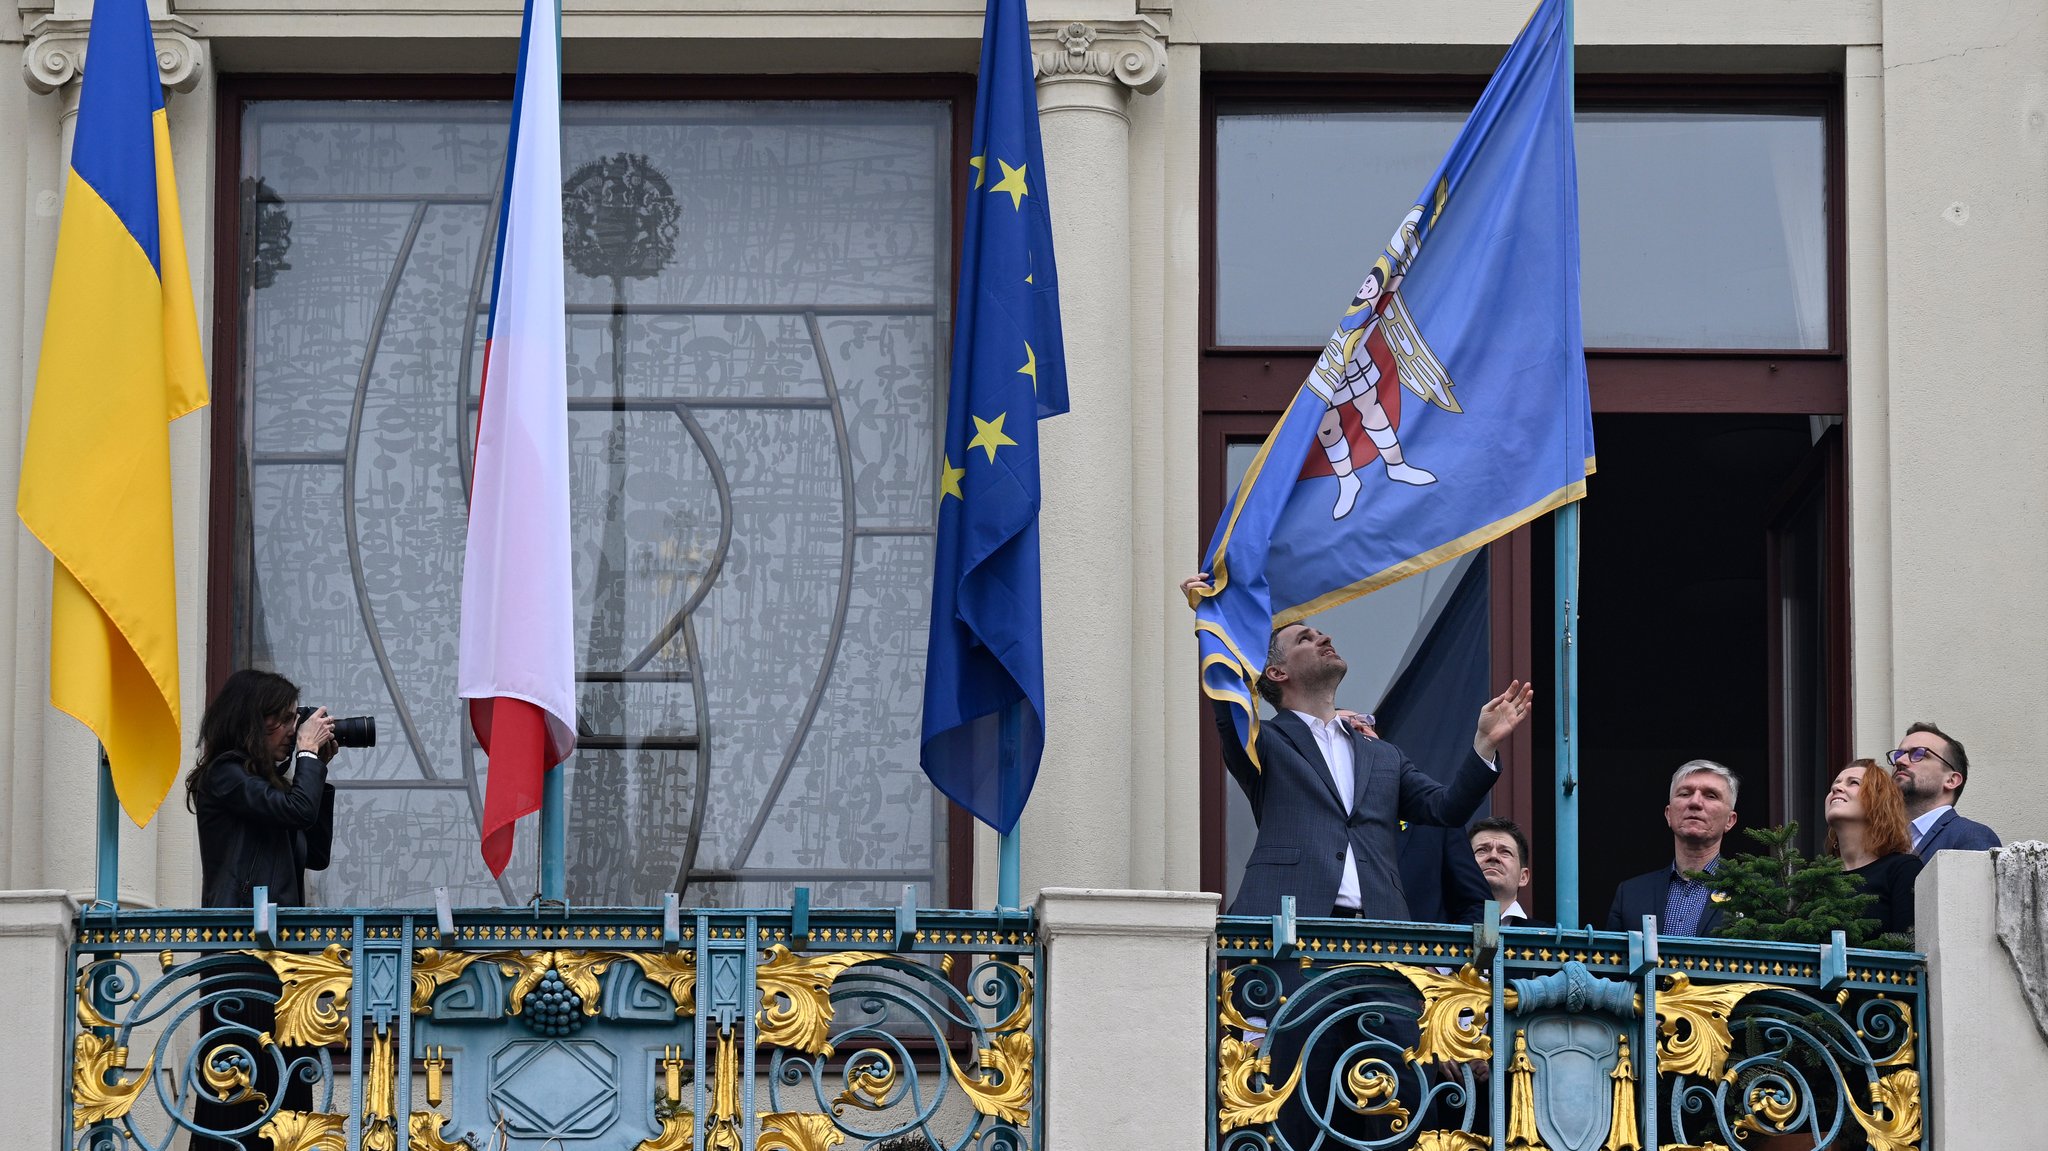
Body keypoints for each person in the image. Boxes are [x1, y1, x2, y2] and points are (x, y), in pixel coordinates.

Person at [1182, 574, 1534, 921]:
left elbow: (1447, 809)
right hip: (1289, 932)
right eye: (1306, 638)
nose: (1325, 637)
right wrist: (1212, 619)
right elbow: (1229, 705)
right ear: (1276, 672)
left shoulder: (1383, 754)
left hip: (1377, 933)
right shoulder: (1268, 743)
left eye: (1320, 633)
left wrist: (1484, 743)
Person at [184, 669, 339, 1151]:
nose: (296, 731)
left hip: (282, 961)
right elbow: (295, 810)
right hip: (241, 957)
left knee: (288, 1088)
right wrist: (309, 759)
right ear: (255, 722)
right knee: (236, 1082)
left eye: (298, 721)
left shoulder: (272, 790)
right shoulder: (225, 774)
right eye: (286, 720)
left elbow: (315, 852)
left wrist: (318, 769)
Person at [1605, 760, 1739, 936]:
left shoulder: (1753, 894)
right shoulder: (1630, 894)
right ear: (1669, 814)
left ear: (1730, 820)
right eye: (1684, 794)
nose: (1695, 802)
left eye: (1711, 796)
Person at [1823, 758, 1923, 936]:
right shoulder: (1818, 880)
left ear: (1879, 801)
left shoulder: (1902, 870)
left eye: (1853, 783)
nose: (1835, 788)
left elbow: (1908, 948)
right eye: (1835, 783)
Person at [1889, 721, 2002, 856]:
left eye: (1919, 754)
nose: (1900, 761)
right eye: (1898, 754)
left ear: (1951, 780)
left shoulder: (1970, 836)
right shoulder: (1881, 844)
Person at [1470, 817, 1543, 927]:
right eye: (1482, 850)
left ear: (1523, 877)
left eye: (1505, 852)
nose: (1493, 856)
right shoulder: (1438, 928)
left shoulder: (1547, 940)